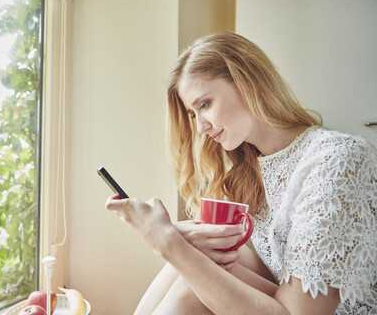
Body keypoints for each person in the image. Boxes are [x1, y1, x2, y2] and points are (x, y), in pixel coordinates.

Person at [105, 32, 377, 314]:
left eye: (204, 104)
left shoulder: (336, 159)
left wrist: (167, 243)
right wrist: (178, 236)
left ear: (247, 81)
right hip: (290, 301)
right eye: (193, 113)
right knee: (199, 258)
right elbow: (277, 276)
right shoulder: (251, 170)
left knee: (190, 268)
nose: (201, 128)